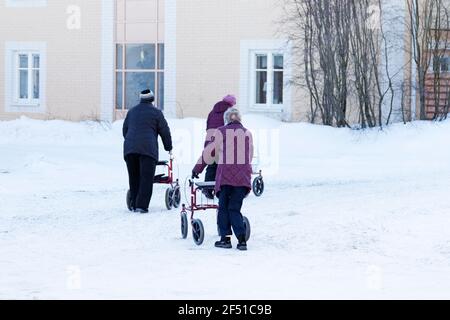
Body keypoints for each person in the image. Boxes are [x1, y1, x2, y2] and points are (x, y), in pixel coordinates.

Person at [192, 107, 253, 251]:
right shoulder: (247, 133)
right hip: (242, 178)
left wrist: (197, 169)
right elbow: (249, 155)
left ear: (226, 120)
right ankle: (242, 240)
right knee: (235, 208)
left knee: (223, 208)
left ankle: (225, 239)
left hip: (225, 177)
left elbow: (209, 153)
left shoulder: (220, 131)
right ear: (240, 119)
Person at [123, 89, 173, 214]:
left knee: (134, 177)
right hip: (147, 150)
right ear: (152, 99)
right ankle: (141, 206)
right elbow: (164, 131)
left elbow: (125, 130)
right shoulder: (156, 113)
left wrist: (132, 143)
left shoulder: (132, 111)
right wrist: (169, 147)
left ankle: (134, 204)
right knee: (146, 178)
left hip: (130, 149)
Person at [203, 95, 236, 199]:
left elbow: (207, 127)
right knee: (224, 166)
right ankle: (223, 189)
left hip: (210, 141)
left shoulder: (212, 112)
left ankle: (207, 189)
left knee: (211, 165)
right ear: (231, 104)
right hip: (223, 141)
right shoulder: (230, 113)